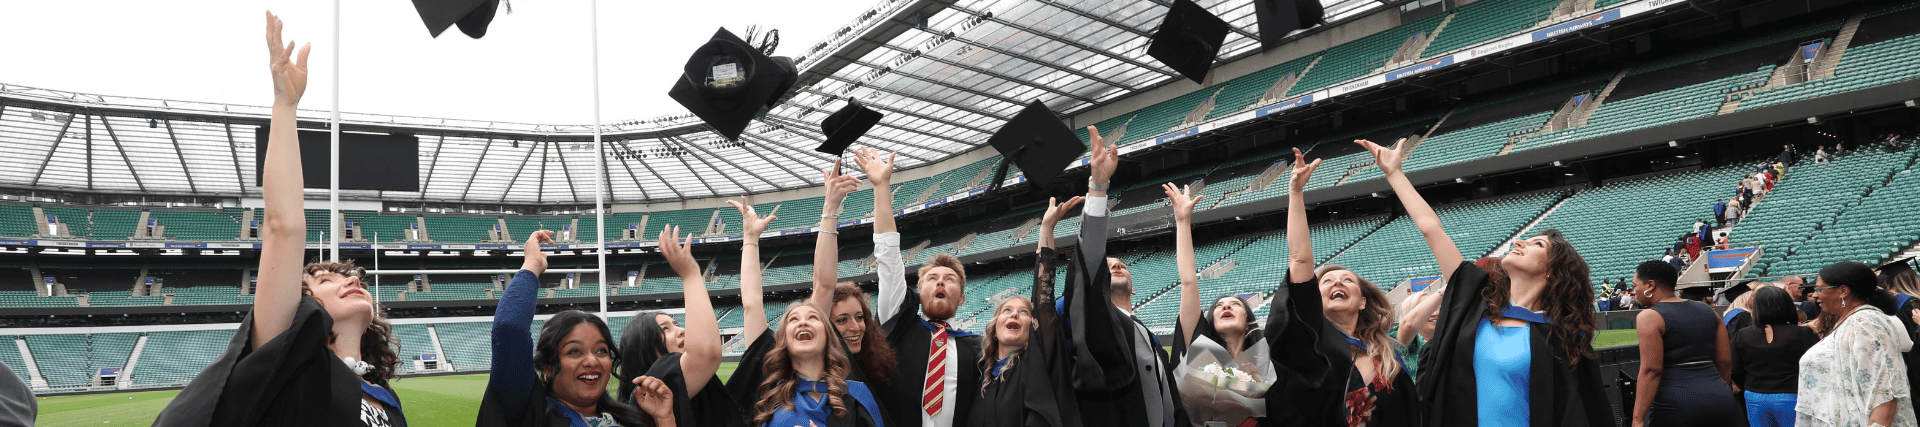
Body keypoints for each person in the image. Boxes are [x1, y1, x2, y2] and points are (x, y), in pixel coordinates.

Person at [154, 14, 410, 427]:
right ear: (302, 308)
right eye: (326, 281)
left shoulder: (384, 397)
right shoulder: (293, 371)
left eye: (348, 277)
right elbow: (283, 228)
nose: (352, 280)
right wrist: (285, 105)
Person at [1358, 137, 1612, 427]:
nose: (1519, 242)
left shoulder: (1563, 339)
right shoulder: (1476, 304)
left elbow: (1579, 415)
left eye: (1536, 244)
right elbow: (1431, 229)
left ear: (1554, 271)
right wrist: (1394, 174)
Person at [1269, 146, 1421, 427]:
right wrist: (1296, 193)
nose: (1337, 281)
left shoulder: (1387, 359)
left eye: (1347, 280)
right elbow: (1300, 260)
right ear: (1316, 299)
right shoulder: (1310, 343)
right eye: (1326, 281)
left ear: (1363, 301)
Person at [728, 159, 873, 401]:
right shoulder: (768, 383)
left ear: (828, 332)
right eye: (793, 319)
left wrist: (830, 209)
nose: (803, 322)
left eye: (813, 317)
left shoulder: (854, 395)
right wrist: (751, 239)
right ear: (782, 338)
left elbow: (825, 285)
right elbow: (752, 304)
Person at [481, 230, 654, 427]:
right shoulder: (531, 414)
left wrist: (665, 419)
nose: (592, 361)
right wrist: (532, 265)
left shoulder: (630, 418)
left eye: (601, 350)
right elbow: (509, 328)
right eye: (574, 351)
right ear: (548, 366)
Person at [870, 143, 988, 427]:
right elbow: (888, 260)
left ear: (961, 298)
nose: (940, 283)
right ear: (918, 292)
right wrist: (881, 187)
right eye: (932, 279)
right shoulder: (898, 327)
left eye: (950, 280)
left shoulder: (978, 349)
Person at [966, 195, 1085, 427]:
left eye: (1023, 312)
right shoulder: (979, 376)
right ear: (994, 327)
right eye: (1007, 310)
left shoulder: (1037, 361)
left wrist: (1047, 228)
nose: (1014, 315)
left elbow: (1043, 300)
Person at [617, 225, 741, 427]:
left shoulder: (690, 390)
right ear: (644, 349)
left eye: (676, 324)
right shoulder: (654, 386)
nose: (682, 330)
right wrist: (691, 274)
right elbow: (706, 353)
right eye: (666, 329)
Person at [1796, 261, 1917, 427]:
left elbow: (1884, 389)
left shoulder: (1865, 323)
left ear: (1843, 291)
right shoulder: (1851, 321)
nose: (1815, 295)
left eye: (1819, 289)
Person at [1629, 260, 1742, 427]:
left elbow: (1651, 370)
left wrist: (1637, 418)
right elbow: (1725, 361)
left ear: (1650, 285)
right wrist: (1720, 388)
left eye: (1635, 285)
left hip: (1677, 402)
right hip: (1720, 396)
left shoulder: (1649, 317)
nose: (1633, 292)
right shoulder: (1708, 311)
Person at [1731, 286, 1818, 427]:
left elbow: (1735, 369)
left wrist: (1748, 384)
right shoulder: (1803, 333)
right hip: (1793, 396)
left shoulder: (1742, 334)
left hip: (1755, 397)